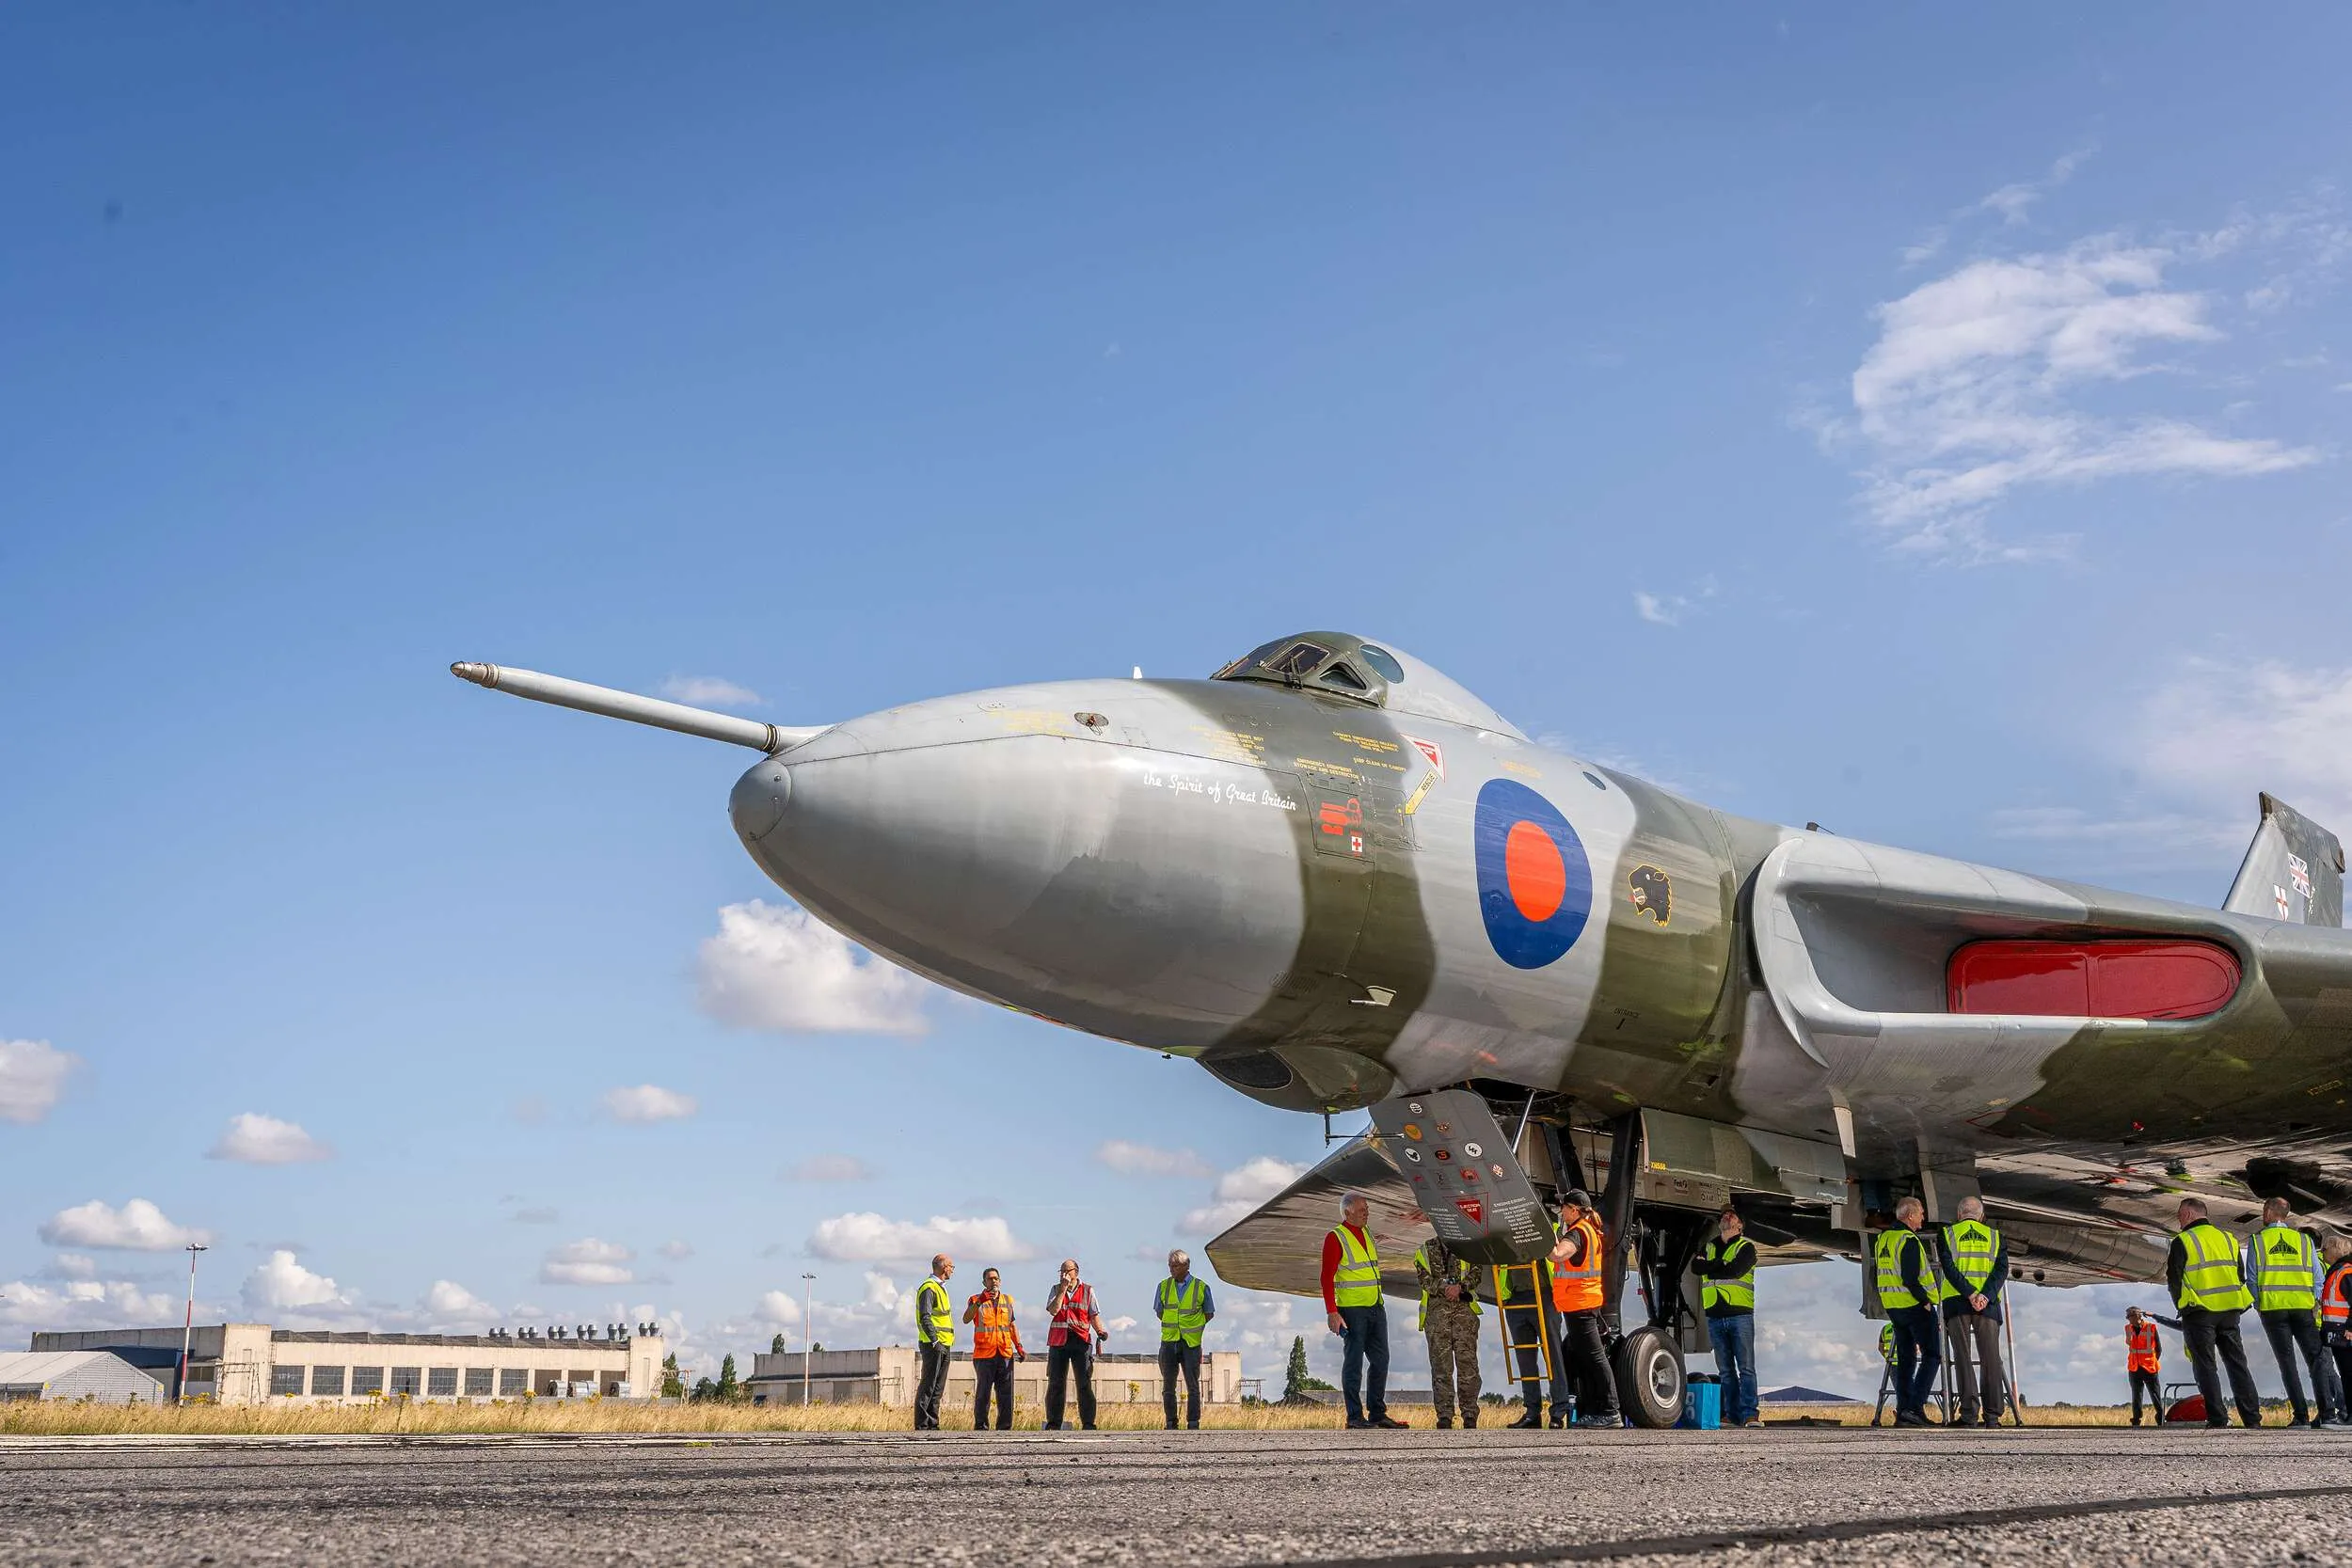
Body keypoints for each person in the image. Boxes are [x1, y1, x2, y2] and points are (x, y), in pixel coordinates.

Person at [2249, 1198, 2344, 1429]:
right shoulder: (2303, 1240)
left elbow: (2251, 1279)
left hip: (2273, 1310)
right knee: (2317, 1361)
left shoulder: (2257, 1240)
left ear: (2269, 1212)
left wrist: (2260, 1304)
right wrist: (2315, 1301)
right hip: (2304, 1308)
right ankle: (2328, 1414)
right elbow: (2317, 1277)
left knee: (2287, 1364)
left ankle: (2300, 1416)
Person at [2167, 1196, 2262, 1429]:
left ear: (2189, 1214)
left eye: (2180, 1214)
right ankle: (2252, 1418)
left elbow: (2174, 1278)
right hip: (2230, 1310)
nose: (2178, 1219)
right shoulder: (2228, 1239)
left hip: (2200, 1312)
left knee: (2206, 1366)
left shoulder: (2183, 1240)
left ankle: (2218, 1417)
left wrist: (2182, 1304)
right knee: (2238, 1364)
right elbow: (2239, 1275)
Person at [1324, 1193, 1406, 1429]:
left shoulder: (1367, 1233)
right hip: (1352, 1310)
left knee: (1381, 1360)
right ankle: (1354, 1416)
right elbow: (1326, 1277)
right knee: (1354, 1362)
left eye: (1367, 1209)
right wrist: (1332, 1312)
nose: (1366, 1213)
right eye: (1362, 1210)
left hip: (1375, 1307)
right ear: (1347, 1212)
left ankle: (1377, 1413)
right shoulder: (1335, 1238)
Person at [1547, 1189, 1619, 1429]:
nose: (1561, 1211)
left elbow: (1557, 1255)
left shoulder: (1578, 1233)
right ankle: (1595, 1409)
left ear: (1574, 1210)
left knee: (1595, 1358)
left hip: (1580, 1305)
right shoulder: (1587, 1230)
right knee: (1581, 1356)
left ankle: (1610, 1411)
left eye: (1564, 1207)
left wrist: (1542, 1237)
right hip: (1580, 1304)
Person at [1938, 1196, 2010, 1429]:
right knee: (1991, 1360)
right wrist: (1984, 1296)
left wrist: (1969, 1294)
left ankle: (1969, 1415)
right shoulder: (1995, 1237)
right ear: (1981, 1215)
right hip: (1987, 1306)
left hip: (1958, 1303)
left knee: (1962, 1359)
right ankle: (1992, 1416)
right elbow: (2001, 1270)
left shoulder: (1948, 1235)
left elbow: (1949, 1269)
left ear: (1959, 1214)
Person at [1873, 1197, 1943, 1428]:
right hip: (1914, 1306)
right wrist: (1925, 1301)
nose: (1923, 1217)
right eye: (1921, 1212)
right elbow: (1910, 1278)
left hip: (1893, 1306)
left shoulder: (1883, 1239)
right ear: (1910, 1215)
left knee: (1906, 1359)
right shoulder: (1908, 1240)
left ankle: (1904, 1410)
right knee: (1932, 1355)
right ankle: (1915, 1406)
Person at [1692, 1206, 1759, 1429]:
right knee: (1726, 1371)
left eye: (1732, 1215)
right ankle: (1732, 1414)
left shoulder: (1746, 1247)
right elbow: (1696, 1267)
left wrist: (1712, 1268)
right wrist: (1720, 1265)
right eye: (1724, 1215)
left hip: (1739, 1314)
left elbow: (1735, 1271)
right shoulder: (1710, 1246)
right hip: (1715, 1315)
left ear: (1740, 1225)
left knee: (1746, 1367)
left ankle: (1750, 1414)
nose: (1726, 1216)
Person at [1414, 1233, 1482, 1429]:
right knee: (1441, 1369)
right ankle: (1444, 1415)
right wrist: (1445, 1288)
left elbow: (1477, 1272)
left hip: (1463, 1314)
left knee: (1468, 1366)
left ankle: (1469, 1413)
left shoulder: (1468, 1246)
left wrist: (1461, 1287)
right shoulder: (1426, 1249)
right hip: (1437, 1317)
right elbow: (1423, 1278)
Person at [1496, 1250, 1561, 1429]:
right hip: (1515, 1296)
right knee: (1524, 1358)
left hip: (1545, 1294)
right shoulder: (1505, 1232)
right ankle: (1532, 1412)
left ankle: (1559, 1412)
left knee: (1553, 1356)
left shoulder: (1548, 1227)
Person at [1153, 1248, 1215, 1430]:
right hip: (1169, 1341)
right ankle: (1171, 1421)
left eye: (1176, 1266)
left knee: (1193, 1384)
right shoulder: (1163, 1286)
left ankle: (1193, 1421)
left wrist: (1193, 1326)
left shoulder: (1201, 1287)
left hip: (1191, 1343)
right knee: (1168, 1385)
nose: (1172, 1269)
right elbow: (1160, 1311)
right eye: (1170, 1266)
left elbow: (1209, 1313)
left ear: (1186, 1266)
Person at [1043, 1257, 1106, 1431]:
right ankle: (1054, 1423)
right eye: (1061, 1271)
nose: (1063, 1274)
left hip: (1080, 1341)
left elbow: (1094, 1314)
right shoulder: (1055, 1289)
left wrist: (1100, 1331)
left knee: (1084, 1383)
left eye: (1067, 1271)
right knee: (1056, 1383)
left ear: (1075, 1273)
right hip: (1058, 1341)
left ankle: (1088, 1423)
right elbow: (1053, 1310)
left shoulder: (1088, 1290)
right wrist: (1063, 1289)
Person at [963, 1266, 1025, 1430]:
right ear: (984, 1282)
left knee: (1006, 1394)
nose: (994, 1281)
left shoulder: (1007, 1300)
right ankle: (981, 1426)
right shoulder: (975, 1299)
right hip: (984, 1353)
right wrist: (979, 1301)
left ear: (1000, 1281)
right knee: (983, 1393)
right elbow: (966, 1318)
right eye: (990, 1278)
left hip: (1004, 1352)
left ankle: (1004, 1427)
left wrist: (1018, 1345)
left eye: (996, 1278)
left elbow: (1011, 1325)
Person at [913, 1253, 956, 1431]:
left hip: (944, 1343)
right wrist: (934, 1340)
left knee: (938, 1385)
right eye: (951, 1267)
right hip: (934, 1344)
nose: (953, 1270)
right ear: (944, 1267)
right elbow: (925, 1316)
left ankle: (932, 1422)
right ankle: (922, 1423)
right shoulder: (929, 1288)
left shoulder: (940, 1287)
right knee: (929, 1384)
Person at [2322, 1232, 2352, 1414]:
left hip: (2345, 1333)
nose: (2323, 1252)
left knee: (2349, 1374)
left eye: (2325, 1249)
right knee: (2346, 1374)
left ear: (2336, 1249)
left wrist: (2350, 1327)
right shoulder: (2337, 1270)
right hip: (2337, 1333)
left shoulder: (2346, 1272)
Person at [2123, 1306, 2166, 1427]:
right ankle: (2136, 1420)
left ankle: (2160, 1420)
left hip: (2149, 1367)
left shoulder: (2151, 1327)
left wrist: (2153, 1360)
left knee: (2155, 1394)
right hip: (2134, 1367)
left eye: (2130, 1316)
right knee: (2136, 1395)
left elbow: (2159, 1348)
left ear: (2138, 1315)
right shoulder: (2127, 1328)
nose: (2128, 1319)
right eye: (2127, 1317)